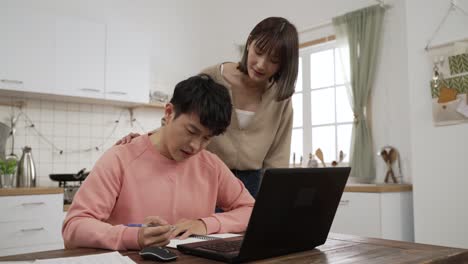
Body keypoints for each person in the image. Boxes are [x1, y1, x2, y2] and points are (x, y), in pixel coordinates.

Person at [62, 74, 254, 251]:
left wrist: (205, 224)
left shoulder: (211, 166)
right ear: (169, 113)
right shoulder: (120, 159)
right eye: (191, 131)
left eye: (207, 138)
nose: (196, 146)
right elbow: (74, 226)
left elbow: (252, 210)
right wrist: (133, 236)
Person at [118, 17, 299, 198]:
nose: (261, 64)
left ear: (283, 64)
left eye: (273, 60)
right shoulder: (212, 77)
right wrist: (146, 140)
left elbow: (278, 157)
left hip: (253, 184)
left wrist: (273, 199)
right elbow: (180, 119)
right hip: (206, 176)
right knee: (204, 226)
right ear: (249, 42)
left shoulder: (280, 99)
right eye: (258, 52)